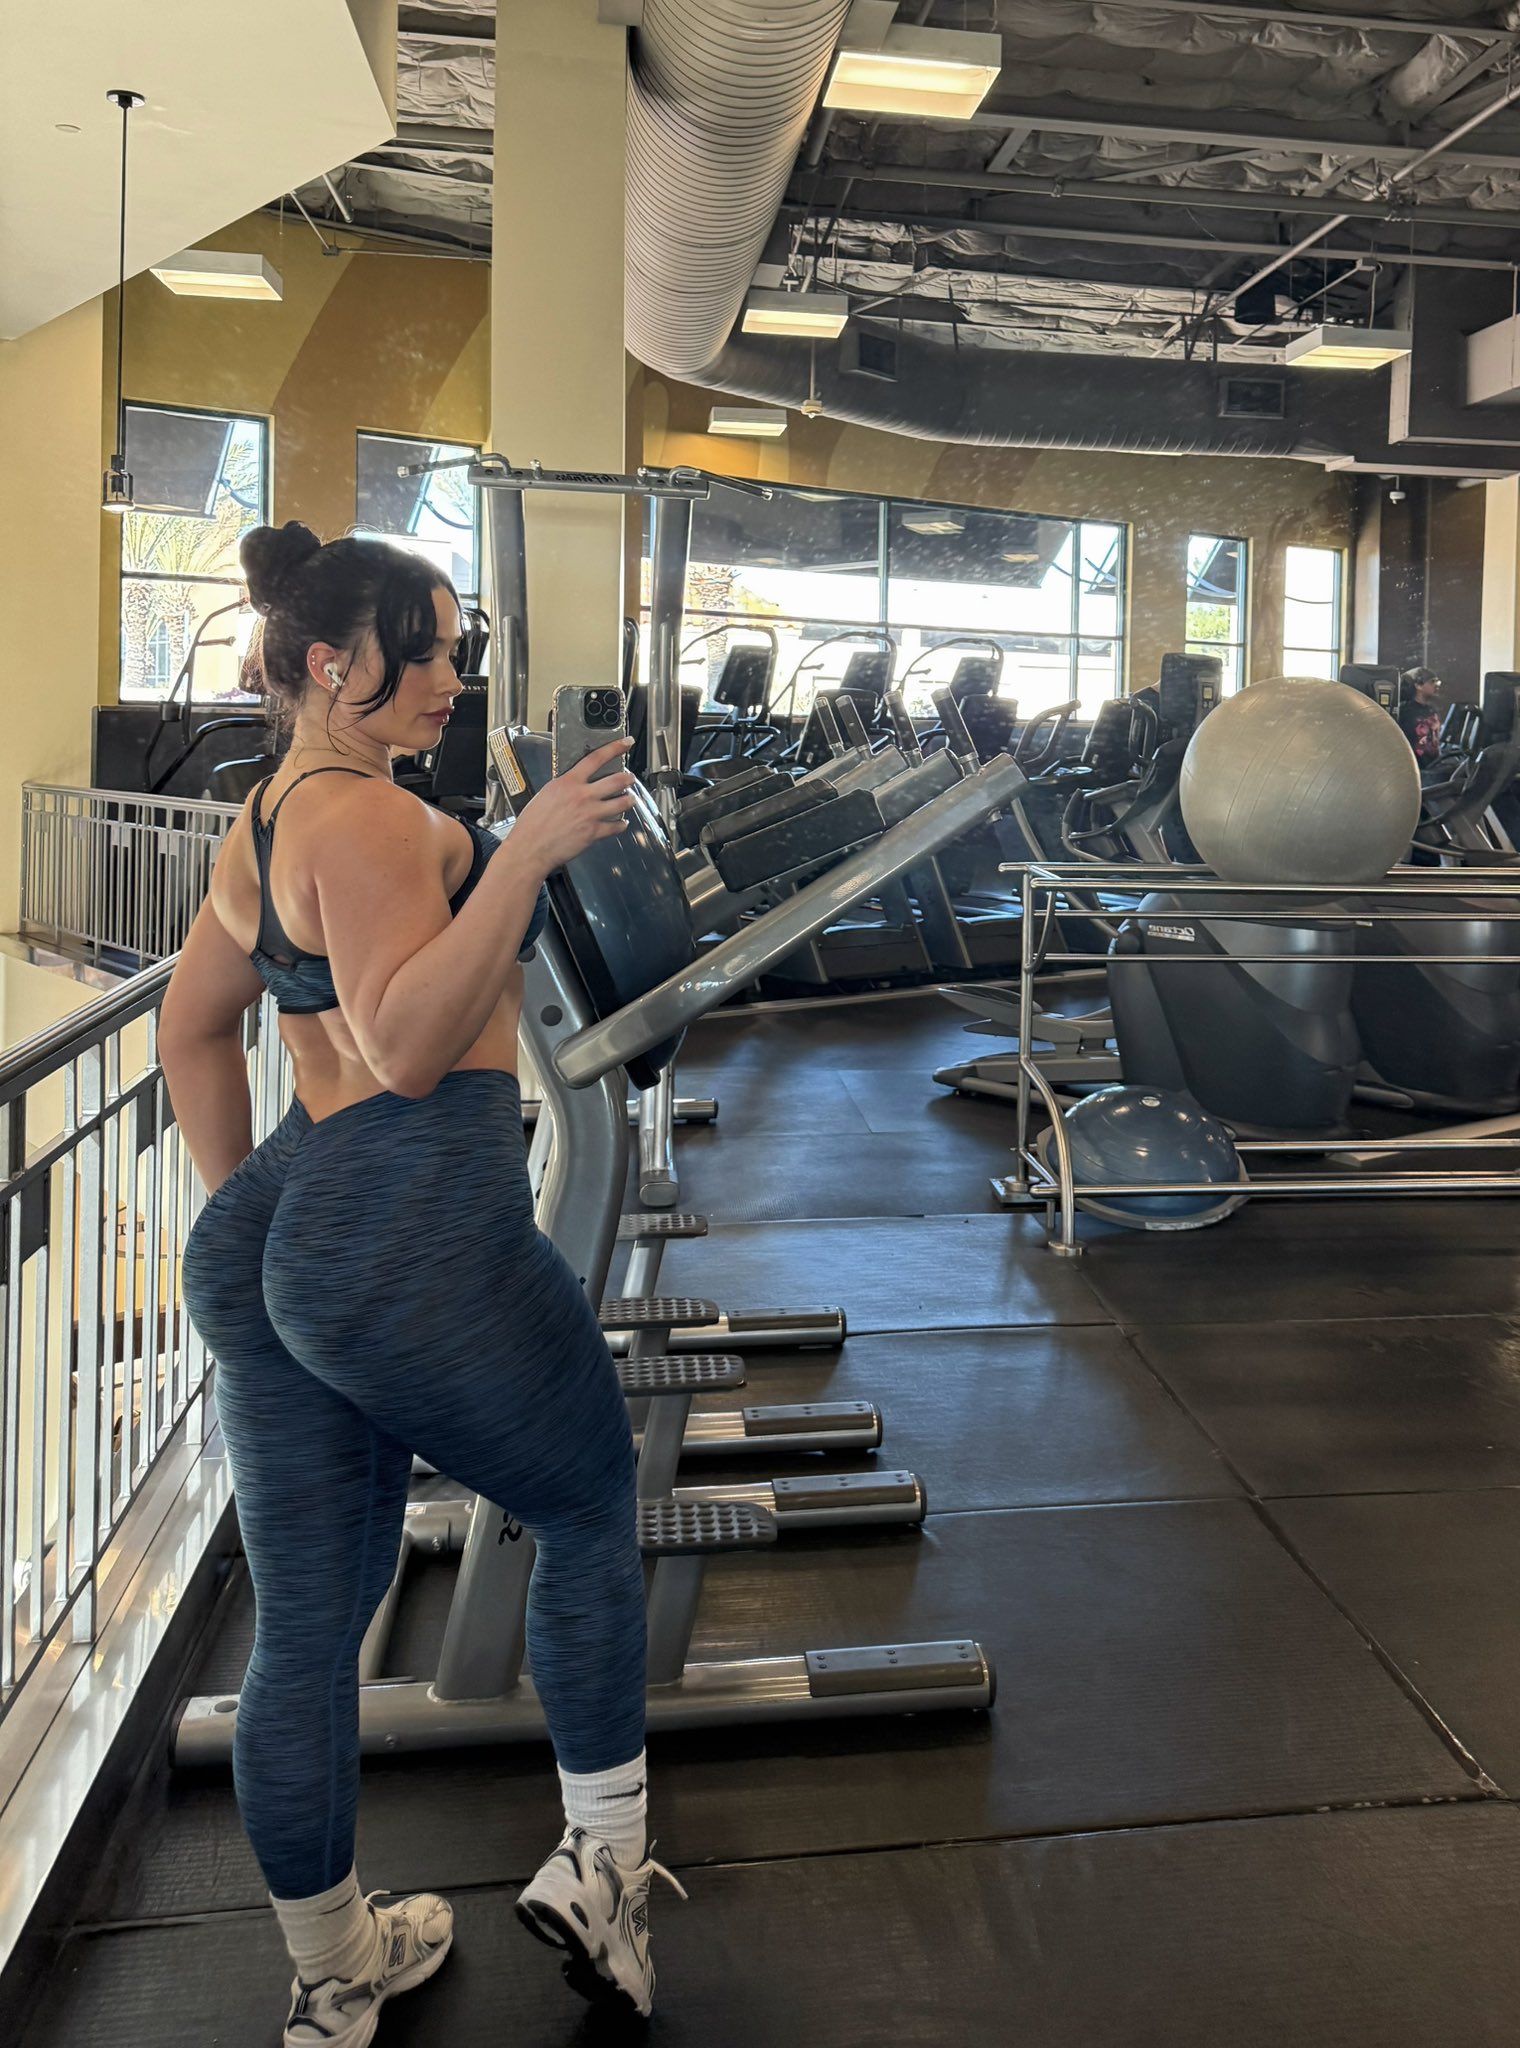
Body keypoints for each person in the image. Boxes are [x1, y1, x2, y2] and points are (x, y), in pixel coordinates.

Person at [162, 521, 683, 2048]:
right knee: (586, 1502)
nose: (452, 677)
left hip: (287, 1223)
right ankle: (603, 1870)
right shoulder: (379, 822)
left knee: (310, 1624)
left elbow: (194, 1027)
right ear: (332, 665)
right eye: (425, 652)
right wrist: (519, 854)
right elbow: (401, 1047)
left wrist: (266, 1229)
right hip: (410, 1223)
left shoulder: (265, 818)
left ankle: (337, 1975)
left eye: (459, 648)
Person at [1398, 665, 1444, 771]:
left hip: (1432, 766)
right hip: (1413, 767)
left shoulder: (1432, 709)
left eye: (1437, 681)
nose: (1436, 685)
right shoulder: (1405, 711)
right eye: (1432, 681)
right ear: (1418, 685)